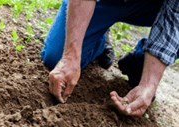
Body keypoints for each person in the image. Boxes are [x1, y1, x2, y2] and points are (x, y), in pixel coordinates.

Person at [41, 0, 179, 117]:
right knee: (56, 57)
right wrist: (70, 56)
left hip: (153, 6)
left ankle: (143, 61)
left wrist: (149, 84)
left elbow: (175, 18)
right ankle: (99, 38)